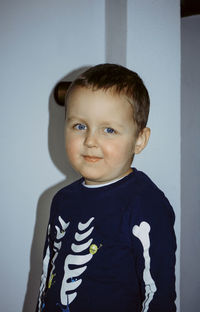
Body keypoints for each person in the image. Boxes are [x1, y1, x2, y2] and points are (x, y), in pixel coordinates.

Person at [36, 64, 176, 312]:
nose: (90, 141)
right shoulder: (61, 200)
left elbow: (159, 295)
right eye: (79, 126)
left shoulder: (146, 204)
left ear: (139, 140)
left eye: (109, 130)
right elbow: (48, 274)